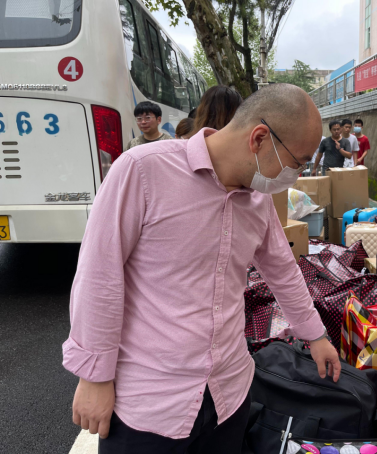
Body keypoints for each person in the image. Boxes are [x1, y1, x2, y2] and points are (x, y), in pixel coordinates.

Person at [62, 83, 341, 454]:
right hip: (151, 403)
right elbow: (99, 276)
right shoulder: (142, 170)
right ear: (259, 139)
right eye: (297, 163)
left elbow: (282, 270)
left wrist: (315, 336)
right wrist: (94, 377)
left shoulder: (257, 200)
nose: (296, 174)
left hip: (229, 395)